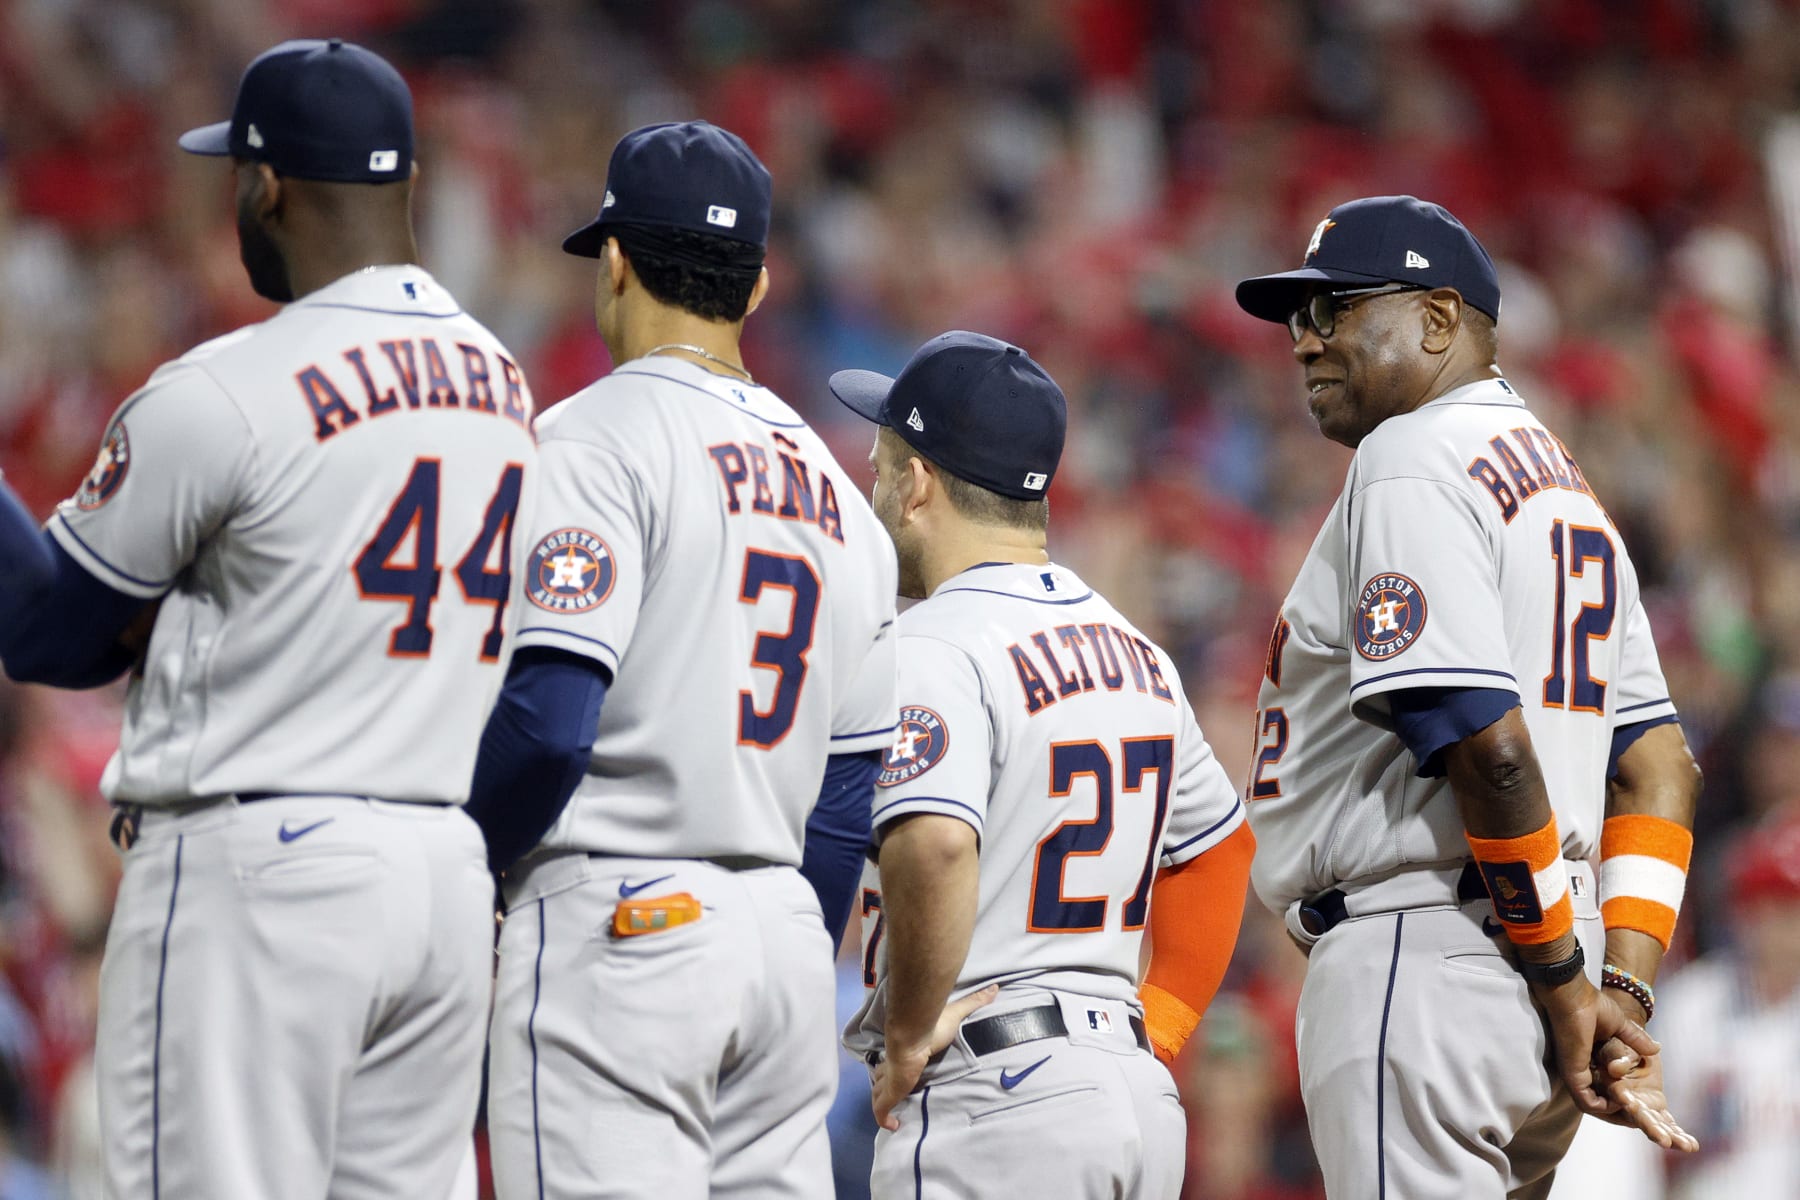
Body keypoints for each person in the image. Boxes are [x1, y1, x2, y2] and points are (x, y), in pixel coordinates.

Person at [0, 39, 538, 1197]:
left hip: (261, 874)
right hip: (440, 880)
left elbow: (45, 635)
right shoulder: (502, 379)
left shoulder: (227, 386)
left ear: (269, 186)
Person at [1232, 194, 1702, 1198]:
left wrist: (1567, 983)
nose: (1306, 342)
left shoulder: (1412, 456)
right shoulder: (1566, 488)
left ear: (1440, 321)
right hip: (1529, 968)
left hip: (1432, 956)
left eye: (1338, 309)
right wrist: (1617, 982)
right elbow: (1660, 769)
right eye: (1299, 320)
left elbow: (1485, 744)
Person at [466, 121, 899, 1199]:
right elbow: (847, 803)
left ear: (612, 262)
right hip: (787, 950)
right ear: (756, 288)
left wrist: (464, 860)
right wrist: (780, 930)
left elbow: (551, 721)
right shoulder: (846, 502)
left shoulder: (593, 438)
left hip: (621, 921)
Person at [833, 331, 1255, 1199]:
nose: (874, 489)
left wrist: (908, 1033)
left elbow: (938, 846)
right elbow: (1220, 852)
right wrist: (1157, 1028)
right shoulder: (1137, 651)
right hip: (1132, 1098)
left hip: (996, 1099)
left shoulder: (933, 645)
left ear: (917, 483)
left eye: (881, 464)